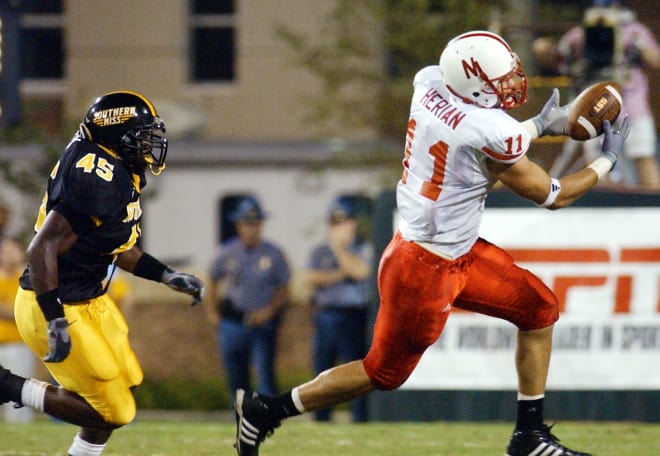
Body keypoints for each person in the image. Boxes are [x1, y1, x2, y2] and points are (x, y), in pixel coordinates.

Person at [232, 30, 630, 456]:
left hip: (452, 250)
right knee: (382, 373)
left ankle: (529, 437)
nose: (513, 82)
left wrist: (537, 126)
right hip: (424, 269)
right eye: (501, 79)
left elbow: (480, 134)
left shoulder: (431, 83)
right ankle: (265, 410)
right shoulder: (490, 130)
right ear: (474, 84)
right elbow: (553, 195)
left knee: (539, 309)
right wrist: (607, 160)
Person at [0, 91, 205, 455]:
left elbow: (114, 246)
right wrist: (55, 321)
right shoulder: (95, 175)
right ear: (114, 133)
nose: (148, 145)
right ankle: (9, 387)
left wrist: (165, 275)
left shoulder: (114, 167)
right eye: (141, 135)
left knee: (124, 385)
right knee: (113, 410)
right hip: (55, 302)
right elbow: (40, 249)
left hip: (89, 298)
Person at [536, 0, 659, 188]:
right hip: (596, 105)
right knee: (599, 161)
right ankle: (605, 206)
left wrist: (636, 45)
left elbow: (655, 60)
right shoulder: (580, 34)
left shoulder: (633, 32)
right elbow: (559, 58)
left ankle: (653, 208)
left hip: (633, 104)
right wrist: (545, 49)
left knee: (642, 153)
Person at [206, 196, 290, 398]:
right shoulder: (227, 252)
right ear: (238, 225)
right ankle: (241, 419)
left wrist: (269, 312)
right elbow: (211, 280)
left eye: (255, 223)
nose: (251, 228)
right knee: (236, 378)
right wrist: (212, 312)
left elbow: (284, 288)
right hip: (233, 321)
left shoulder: (273, 253)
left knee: (264, 376)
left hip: (262, 323)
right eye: (247, 223)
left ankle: (268, 419)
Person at [304, 196, 371, 422]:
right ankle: (322, 418)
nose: (343, 227)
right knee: (323, 369)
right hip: (326, 314)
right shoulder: (319, 251)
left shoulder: (363, 248)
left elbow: (361, 271)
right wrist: (341, 273)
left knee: (357, 370)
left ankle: (360, 418)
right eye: (337, 222)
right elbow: (310, 278)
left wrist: (339, 249)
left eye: (347, 221)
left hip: (353, 316)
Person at [0, 204, 36, 423]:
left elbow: (27, 312)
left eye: (11, 250)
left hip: (19, 344)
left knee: (20, 393)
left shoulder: (26, 280)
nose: (7, 253)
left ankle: (20, 426)